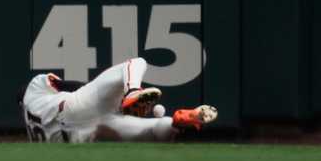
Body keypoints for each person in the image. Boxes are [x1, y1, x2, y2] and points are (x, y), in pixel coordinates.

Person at [19, 57, 217, 143]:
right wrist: (111, 93)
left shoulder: (32, 133)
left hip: (85, 135)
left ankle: (176, 123)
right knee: (136, 63)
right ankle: (132, 91)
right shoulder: (34, 88)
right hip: (73, 107)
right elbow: (66, 86)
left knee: (151, 130)